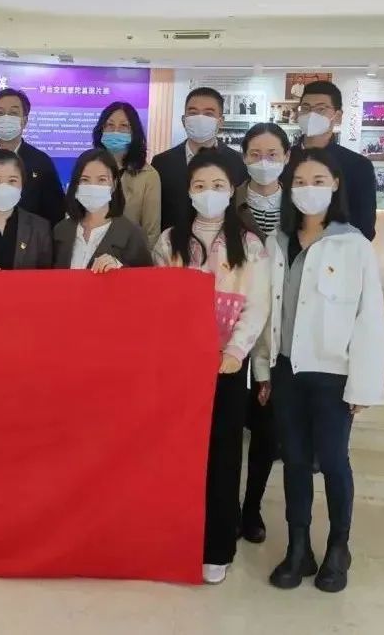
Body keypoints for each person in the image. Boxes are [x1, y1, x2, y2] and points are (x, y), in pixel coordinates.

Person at [255, 148, 384, 593]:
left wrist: (364, 385)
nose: (308, 189)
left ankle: (338, 546)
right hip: (287, 369)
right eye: (299, 182)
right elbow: (267, 313)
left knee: (332, 460)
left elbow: (371, 320)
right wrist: (263, 371)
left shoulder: (354, 245)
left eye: (318, 181)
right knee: (294, 460)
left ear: (335, 185)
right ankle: (298, 547)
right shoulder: (277, 243)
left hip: (334, 374)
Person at [153, 150, 269, 585]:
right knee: (177, 453)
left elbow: (257, 305)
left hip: (225, 367)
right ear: (188, 192)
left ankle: (216, 547)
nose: (208, 193)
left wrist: (236, 351)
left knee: (222, 456)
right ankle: (174, 538)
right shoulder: (169, 241)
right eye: (199, 186)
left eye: (218, 186)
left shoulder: (249, 244)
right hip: (179, 367)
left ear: (231, 191)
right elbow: (158, 300)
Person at [232, 122, 292, 545]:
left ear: (287, 157)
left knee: (267, 427)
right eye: (255, 154)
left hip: (281, 330)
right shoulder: (226, 198)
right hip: (233, 325)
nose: (264, 162)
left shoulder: (301, 204)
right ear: (244, 158)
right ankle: (223, 500)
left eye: (273, 154)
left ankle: (251, 506)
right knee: (230, 423)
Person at [287, 81, 377, 240]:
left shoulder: (357, 166)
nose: (311, 114)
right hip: (287, 248)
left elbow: (365, 226)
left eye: (321, 109)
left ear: (337, 115)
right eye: (306, 108)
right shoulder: (284, 159)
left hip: (338, 249)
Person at [0, 88, 65, 225]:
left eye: (13, 113)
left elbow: (55, 213)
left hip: (30, 235)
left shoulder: (42, 163)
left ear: (25, 121)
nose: (6, 118)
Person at [152, 87, 248, 233]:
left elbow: (240, 210)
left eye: (209, 113)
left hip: (226, 241)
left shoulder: (238, 162)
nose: (200, 119)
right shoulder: (162, 163)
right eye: (193, 113)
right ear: (184, 120)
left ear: (221, 121)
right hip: (173, 242)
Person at [53, 148, 153, 271]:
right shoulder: (61, 231)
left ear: (114, 184)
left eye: (102, 180)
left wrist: (121, 271)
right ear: (76, 185)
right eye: (85, 180)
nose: (93, 186)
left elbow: (146, 279)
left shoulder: (133, 235)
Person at [93, 101, 162, 246]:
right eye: (110, 125)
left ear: (134, 132)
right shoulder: (88, 167)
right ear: (101, 130)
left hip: (129, 255)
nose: (115, 131)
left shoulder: (148, 175)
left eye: (124, 126)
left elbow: (151, 232)